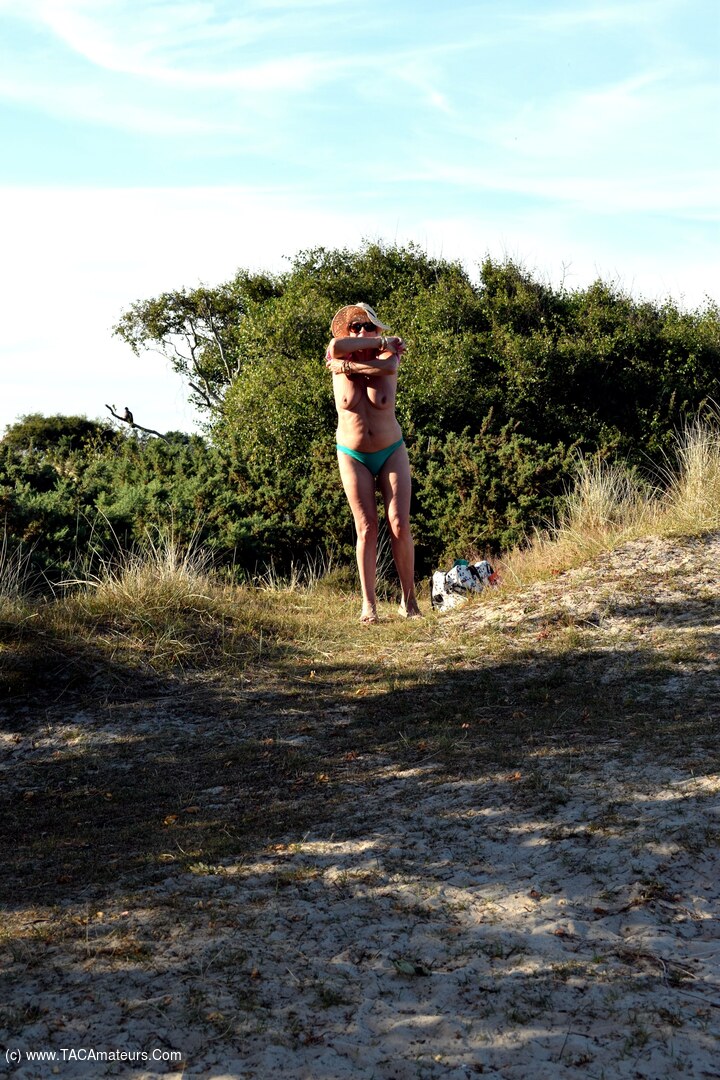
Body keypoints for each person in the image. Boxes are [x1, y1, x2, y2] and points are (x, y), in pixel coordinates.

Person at [326, 302, 421, 624]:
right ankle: (369, 605)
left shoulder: (387, 354)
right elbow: (335, 347)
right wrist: (350, 359)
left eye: (369, 326)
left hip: (390, 449)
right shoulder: (337, 352)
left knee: (399, 524)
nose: (362, 331)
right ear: (348, 331)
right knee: (366, 527)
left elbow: (388, 369)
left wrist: (348, 368)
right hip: (352, 453)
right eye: (356, 327)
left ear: (378, 329)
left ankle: (409, 602)